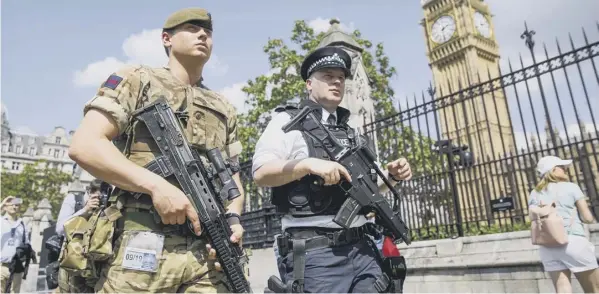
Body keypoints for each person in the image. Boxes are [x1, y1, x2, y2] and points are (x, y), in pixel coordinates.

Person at [67, 7, 245, 293]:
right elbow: (85, 145)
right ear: (166, 39)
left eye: (208, 32)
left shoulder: (223, 106)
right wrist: (156, 187)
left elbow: (233, 175)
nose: (203, 34)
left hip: (208, 256)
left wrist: (234, 218)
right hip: (142, 247)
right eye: (192, 28)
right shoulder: (138, 79)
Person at [253, 46, 413, 293]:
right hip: (318, 256)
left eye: (341, 77)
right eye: (328, 76)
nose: (337, 81)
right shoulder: (287, 122)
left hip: (363, 249)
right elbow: (261, 173)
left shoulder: (351, 132)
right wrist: (306, 165)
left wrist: (391, 175)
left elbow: (367, 187)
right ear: (309, 83)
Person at [528, 155, 598, 293]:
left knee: (562, 289)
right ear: (553, 170)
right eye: (562, 167)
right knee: (594, 290)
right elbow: (588, 218)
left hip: (547, 247)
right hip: (572, 242)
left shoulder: (534, 193)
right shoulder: (571, 187)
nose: (566, 170)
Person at [53, 180, 102, 293]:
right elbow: (60, 229)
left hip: (97, 266)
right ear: (89, 192)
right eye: (97, 196)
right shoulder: (74, 200)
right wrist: (85, 210)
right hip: (73, 264)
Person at [1, 196, 31, 293]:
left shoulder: (22, 224)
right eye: (11, 204)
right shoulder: (1, 221)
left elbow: (26, 244)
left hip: (16, 267)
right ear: (5, 207)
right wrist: (2, 203)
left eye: (17, 205)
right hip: (1, 266)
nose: (14, 207)